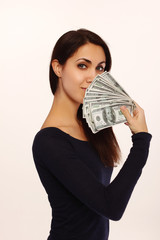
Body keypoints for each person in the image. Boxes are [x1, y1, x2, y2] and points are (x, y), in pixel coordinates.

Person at [32, 29, 152, 240]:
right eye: (82, 66)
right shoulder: (49, 141)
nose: (93, 78)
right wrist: (141, 140)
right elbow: (111, 206)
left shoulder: (93, 127)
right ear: (58, 67)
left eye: (100, 68)